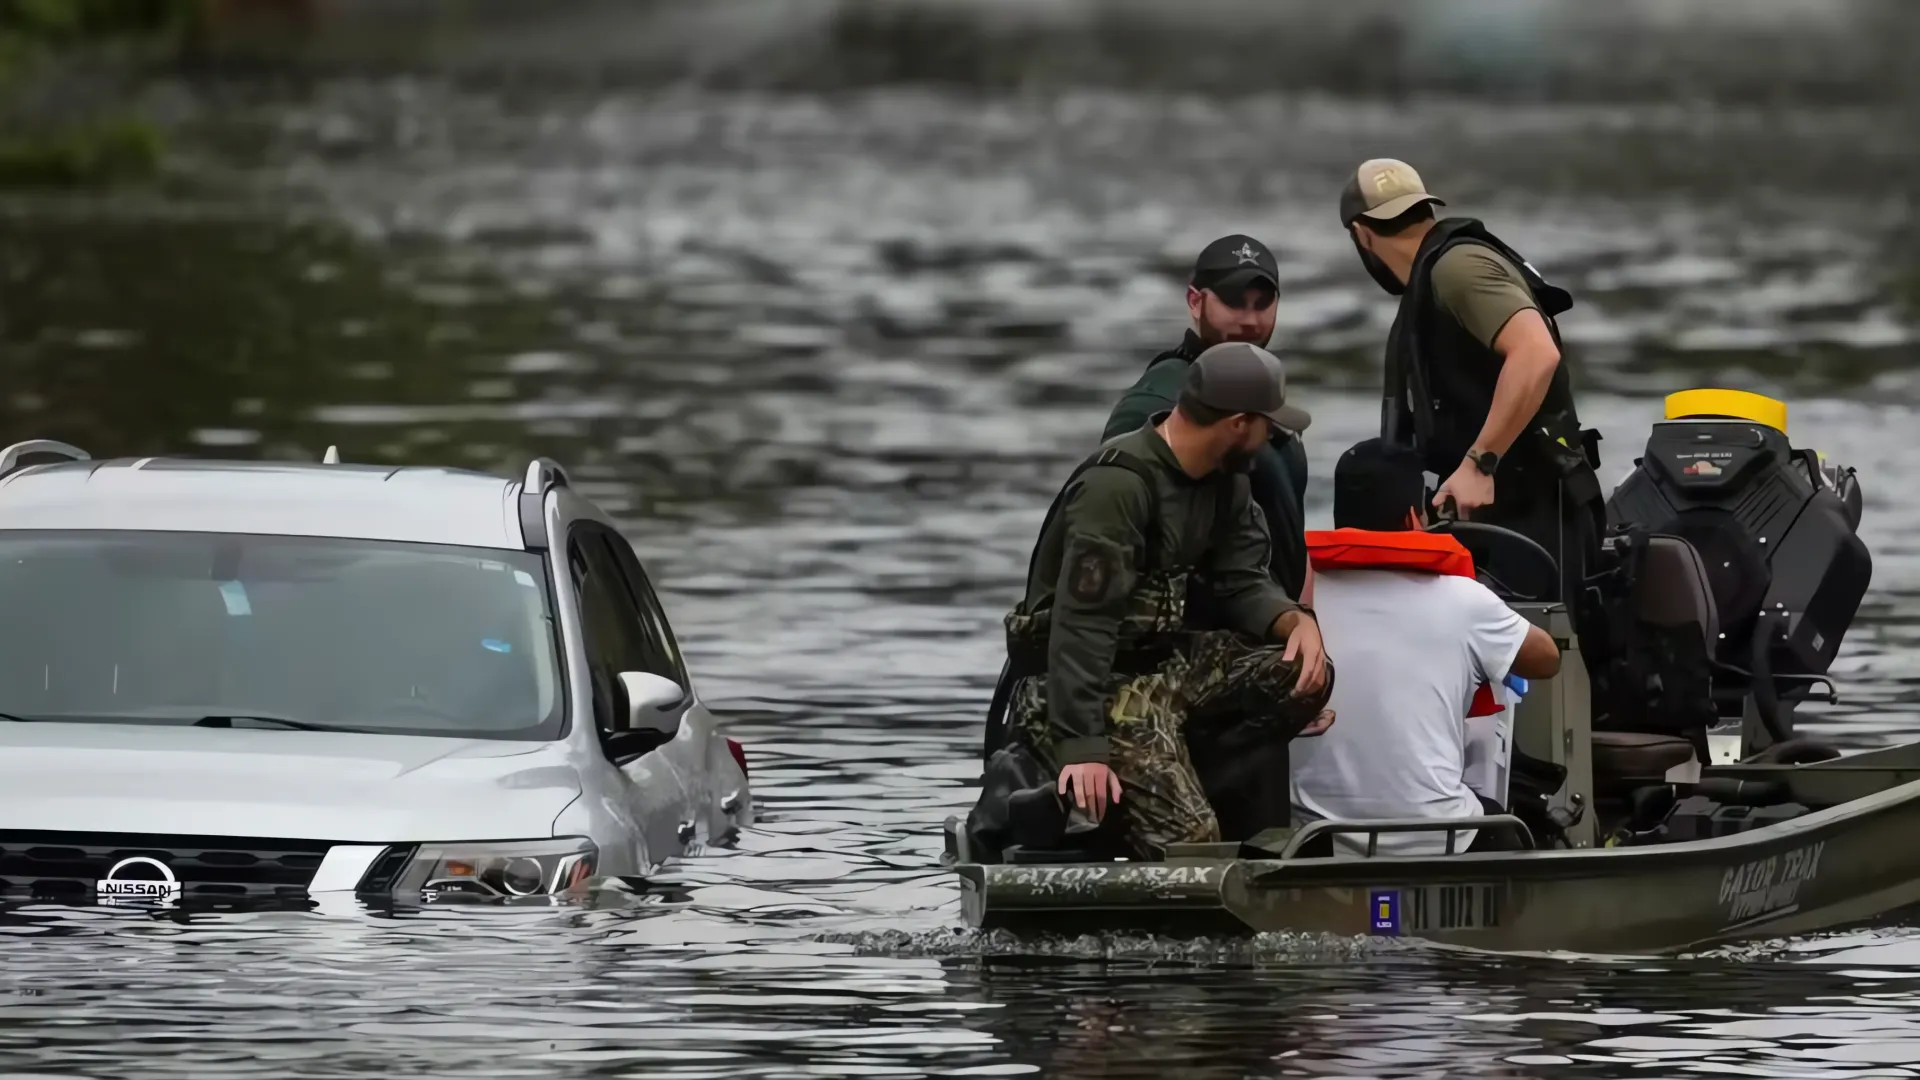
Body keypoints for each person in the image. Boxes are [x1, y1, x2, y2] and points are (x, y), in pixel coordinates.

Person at [983, 342, 1335, 860]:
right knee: (1192, 845)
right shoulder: (1119, 487)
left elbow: (1241, 579)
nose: (1272, 440)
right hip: (1091, 687)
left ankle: (1175, 774)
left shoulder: (1227, 481)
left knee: (1305, 674)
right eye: (1268, 426)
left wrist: (1293, 621)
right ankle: (1081, 806)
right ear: (1238, 424)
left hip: (1164, 668)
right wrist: (1083, 748)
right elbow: (1082, 626)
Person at [1339, 158, 1605, 607]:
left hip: (1537, 521)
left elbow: (1536, 353)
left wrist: (1479, 464)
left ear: (1361, 234)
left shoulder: (1457, 268)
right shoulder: (1433, 278)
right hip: (1501, 522)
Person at [1289, 438, 1562, 856]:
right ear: (1413, 517)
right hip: (1439, 837)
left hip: (1316, 841)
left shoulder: (1293, 603)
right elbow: (1546, 658)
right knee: (1525, 824)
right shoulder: (1463, 599)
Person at [1102, 234, 1312, 602]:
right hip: (1194, 634)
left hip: (1270, 621)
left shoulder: (1269, 401)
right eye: (1233, 303)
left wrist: (1301, 619)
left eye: (1263, 304)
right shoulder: (1155, 403)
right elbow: (1110, 536)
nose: (1250, 320)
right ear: (1195, 302)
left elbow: (1290, 537)